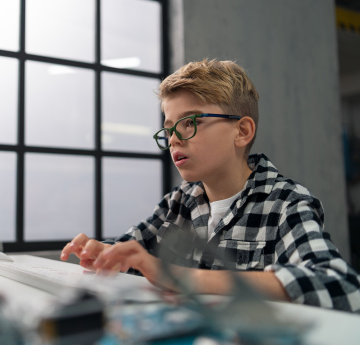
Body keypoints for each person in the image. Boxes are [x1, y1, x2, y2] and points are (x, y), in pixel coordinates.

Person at [61, 59, 360, 312]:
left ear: (241, 131)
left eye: (190, 122)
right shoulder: (177, 203)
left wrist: (181, 277)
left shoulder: (287, 203)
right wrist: (104, 253)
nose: (174, 138)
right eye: (168, 129)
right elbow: (134, 256)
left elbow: (339, 285)